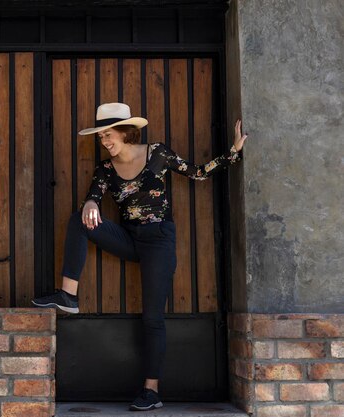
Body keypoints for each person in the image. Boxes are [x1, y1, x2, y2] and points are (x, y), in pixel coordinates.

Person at [32, 102, 247, 411]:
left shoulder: (157, 153)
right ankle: (68, 295)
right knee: (79, 217)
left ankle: (151, 390)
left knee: (152, 318)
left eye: (108, 135)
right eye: (101, 137)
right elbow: (94, 195)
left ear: (125, 132)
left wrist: (233, 151)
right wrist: (91, 204)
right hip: (130, 238)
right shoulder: (105, 168)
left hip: (159, 241)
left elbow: (198, 173)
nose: (105, 142)